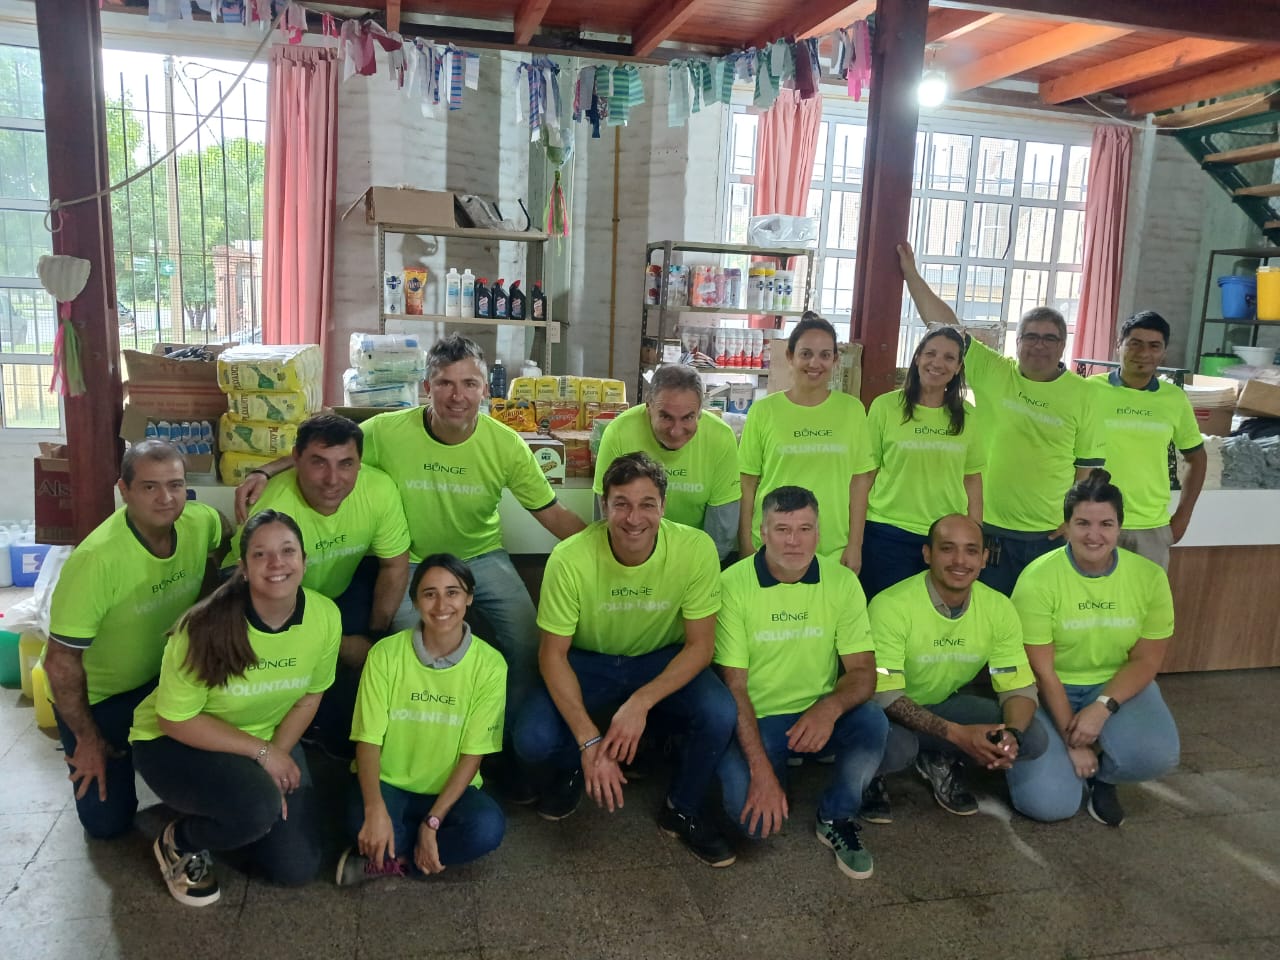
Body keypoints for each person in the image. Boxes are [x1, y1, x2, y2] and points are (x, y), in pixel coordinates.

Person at [236, 336, 585, 777]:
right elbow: (328, 447)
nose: (457, 395)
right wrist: (264, 470)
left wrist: (602, 550)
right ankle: (409, 756)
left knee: (528, 641)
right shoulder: (388, 431)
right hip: (412, 563)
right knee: (409, 653)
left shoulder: (506, 445)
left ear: (485, 390)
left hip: (481, 557)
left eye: (469, 383)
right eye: (445, 383)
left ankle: (505, 744)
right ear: (426, 387)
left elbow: (552, 514)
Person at [513, 452, 738, 867]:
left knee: (720, 712)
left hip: (660, 659)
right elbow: (552, 654)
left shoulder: (695, 549)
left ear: (664, 507)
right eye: (622, 504)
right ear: (604, 506)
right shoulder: (570, 557)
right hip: (588, 661)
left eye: (647, 504)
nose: (634, 518)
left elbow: (700, 647)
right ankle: (575, 766)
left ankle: (682, 808)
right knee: (531, 740)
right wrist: (589, 740)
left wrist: (641, 703)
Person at [129, 511, 341, 905]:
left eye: (287, 551)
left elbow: (309, 697)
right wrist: (263, 756)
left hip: (267, 736)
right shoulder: (203, 628)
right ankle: (180, 840)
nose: (276, 563)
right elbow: (175, 719)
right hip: (175, 742)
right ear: (243, 568)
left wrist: (276, 753)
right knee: (258, 807)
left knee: (296, 868)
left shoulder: (325, 616)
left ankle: (232, 814)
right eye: (261, 555)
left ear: (304, 561)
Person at [45, 440, 229, 840]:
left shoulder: (200, 522)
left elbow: (226, 539)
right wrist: (86, 738)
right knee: (107, 825)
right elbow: (59, 663)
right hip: (99, 700)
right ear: (123, 490)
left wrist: (208, 608)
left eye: (176, 485)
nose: (166, 498)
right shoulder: (96, 561)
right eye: (149, 487)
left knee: (210, 779)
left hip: (164, 681)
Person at [898, 242, 1105, 595]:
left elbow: (1087, 468)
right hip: (988, 530)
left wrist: (1076, 521)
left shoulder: (1085, 394)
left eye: (1050, 339)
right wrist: (911, 274)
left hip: (1047, 535)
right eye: (1031, 337)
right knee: (986, 619)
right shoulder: (995, 372)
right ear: (1017, 341)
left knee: (1037, 623)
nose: (1039, 345)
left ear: (1063, 345)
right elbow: (944, 325)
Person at [714, 485, 887, 879]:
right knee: (754, 827)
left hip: (817, 714)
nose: (794, 541)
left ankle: (837, 816)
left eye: (805, 528)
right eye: (782, 529)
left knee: (873, 720)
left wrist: (828, 708)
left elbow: (863, 671)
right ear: (762, 532)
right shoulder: (733, 585)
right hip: (759, 720)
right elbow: (735, 688)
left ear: (819, 533)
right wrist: (760, 773)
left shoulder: (842, 582)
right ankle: (773, 771)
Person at [224, 413, 411, 754]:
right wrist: (339, 642)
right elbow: (261, 593)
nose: (332, 479)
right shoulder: (273, 506)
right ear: (295, 460)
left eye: (345, 464)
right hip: (258, 592)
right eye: (318, 463)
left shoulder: (379, 489)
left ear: (359, 463)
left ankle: (333, 737)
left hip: (334, 590)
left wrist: (373, 636)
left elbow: (395, 565)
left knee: (374, 658)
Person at [1007, 469, 1180, 827]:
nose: (1094, 535)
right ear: (1066, 526)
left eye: (1106, 524)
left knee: (1157, 754)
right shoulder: (1038, 579)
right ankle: (1069, 756)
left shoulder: (1149, 578)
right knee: (1049, 805)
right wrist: (1075, 741)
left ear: (1120, 527)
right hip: (1046, 690)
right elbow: (1042, 671)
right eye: (1083, 523)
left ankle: (1104, 777)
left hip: (1111, 685)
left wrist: (1103, 707)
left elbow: (1147, 660)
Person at [338, 554, 506, 884]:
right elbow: (368, 739)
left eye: (453, 592)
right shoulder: (385, 654)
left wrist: (434, 821)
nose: (442, 604)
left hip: (449, 792)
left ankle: (395, 861)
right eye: (429, 593)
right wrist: (375, 810)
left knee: (487, 829)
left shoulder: (491, 665)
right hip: (389, 785)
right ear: (414, 601)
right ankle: (404, 852)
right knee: (359, 819)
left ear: (469, 597)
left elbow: (475, 753)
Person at [866, 514, 1047, 823]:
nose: (960, 560)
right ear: (928, 554)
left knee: (1033, 737)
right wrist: (959, 735)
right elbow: (884, 694)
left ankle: (937, 754)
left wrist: (1011, 736)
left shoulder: (999, 608)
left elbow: (1015, 686)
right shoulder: (890, 606)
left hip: (943, 705)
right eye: (947, 549)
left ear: (984, 559)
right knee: (898, 747)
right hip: (883, 713)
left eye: (971, 550)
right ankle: (870, 778)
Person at [738, 312, 874, 571]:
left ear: (835, 359)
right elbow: (747, 483)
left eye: (825, 355)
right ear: (790, 357)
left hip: (832, 546)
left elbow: (859, 482)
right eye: (806, 353)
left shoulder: (852, 410)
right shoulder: (764, 411)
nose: (815, 363)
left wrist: (855, 545)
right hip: (772, 543)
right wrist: (745, 541)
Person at [861, 327, 984, 600]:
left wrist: (976, 539)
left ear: (958, 367)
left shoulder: (968, 417)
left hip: (946, 539)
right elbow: (865, 475)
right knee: (883, 616)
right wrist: (854, 537)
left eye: (949, 358)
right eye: (930, 353)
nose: (938, 363)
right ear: (917, 358)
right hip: (886, 533)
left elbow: (972, 480)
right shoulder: (884, 407)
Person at [1087, 311, 1207, 569]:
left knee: (1142, 607)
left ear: (1163, 352)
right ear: (1118, 345)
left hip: (1151, 527)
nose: (1144, 353)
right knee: (1085, 603)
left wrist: (1182, 518)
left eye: (1154, 346)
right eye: (1135, 343)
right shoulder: (1088, 390)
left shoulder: (1174, 399)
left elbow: (1197, 458)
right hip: (1092, 521)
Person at [594, 363, 740, 560]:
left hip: (693, 561)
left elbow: (720, 533)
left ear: (700, 412)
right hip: (630, 558)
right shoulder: (618, 433)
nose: (676, 431)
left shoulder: (721, 438)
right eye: (666, 417)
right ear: (648, 406)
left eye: (688, 417)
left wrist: (696, 573)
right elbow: (607, 518)